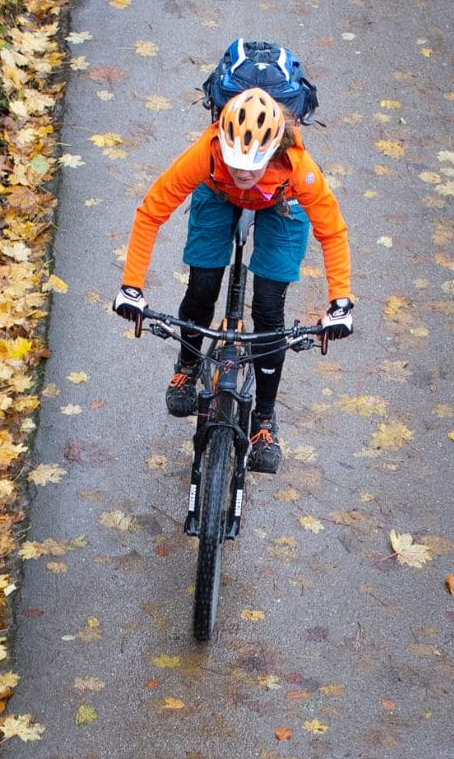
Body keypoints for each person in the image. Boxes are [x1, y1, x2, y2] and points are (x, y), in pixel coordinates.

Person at [111, 86, 354, 475]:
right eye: (235, 161)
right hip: (216, 193)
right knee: (203, 286)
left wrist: (340, 302)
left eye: (252, 167)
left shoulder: (298, 167)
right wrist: (131, 286)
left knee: (269, 308)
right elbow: (151, 211)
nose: (243, 173)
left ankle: (264, 420)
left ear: (274, 151)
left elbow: (333, 232)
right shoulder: (206, 153)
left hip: (282, 206)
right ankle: (188, 366)